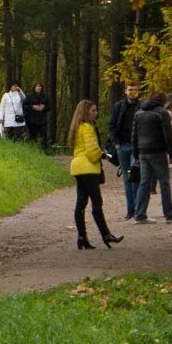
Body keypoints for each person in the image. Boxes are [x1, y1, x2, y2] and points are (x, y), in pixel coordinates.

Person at [66, 100, 124, 250]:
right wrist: (102, 155)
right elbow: (92, 152)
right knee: (97, 202)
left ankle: (82, 236)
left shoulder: (77, 127)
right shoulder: (87, 127)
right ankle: (106, 234)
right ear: (86, 112)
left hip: (78, 167)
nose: (96, 113)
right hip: (88, 167)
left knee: (81, 203)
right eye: (93, 111)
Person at [130, 91, 172, 223]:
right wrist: (171, 153)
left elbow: (134, 135)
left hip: (142, 151)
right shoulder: (162, 113)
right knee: (164, 182)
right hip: (158, 151)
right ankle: (169, 214)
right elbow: (168, 134)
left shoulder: (139, 113)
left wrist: (135, 153)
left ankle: (140, 214)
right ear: (163, 101)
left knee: (144, 182)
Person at [109, 82, 143, 218]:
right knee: (127, 179)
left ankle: (137, 208)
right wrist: (116, 143)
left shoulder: (142, 106)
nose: (132, 92)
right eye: (130, 90)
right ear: (125, 91)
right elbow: (112, 125)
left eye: (135, 90)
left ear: (138, 91)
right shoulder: (118, 106)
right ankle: (130, 209)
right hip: (122, 146)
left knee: (136, 176)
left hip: (137, 147)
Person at [23, 81, 51, 148]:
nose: (39, 87)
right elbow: (24, 106)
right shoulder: (29, 96)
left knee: (44, 136)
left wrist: (44, 107)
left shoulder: (45, 96)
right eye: (37, 86)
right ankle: (32, 150)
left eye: (40, 86)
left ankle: (44, 151)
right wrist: (32, 107)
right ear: (34, 87)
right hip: (31, 120)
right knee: (32, 136)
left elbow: (49, 107)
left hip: (42, 120)